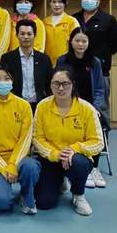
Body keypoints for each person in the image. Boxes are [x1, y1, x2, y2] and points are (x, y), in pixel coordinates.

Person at [33, 68, 104, 216]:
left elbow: (98, 142)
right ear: (50, 85)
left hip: (76, 159)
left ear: (73, 84)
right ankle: (61, 181)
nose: (60, 88)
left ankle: (78, 195)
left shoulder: (86, 109)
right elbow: (37, 138)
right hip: (51, 159)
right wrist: (56, 154)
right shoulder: (42, 107)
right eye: (56, 83)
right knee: (44, 203)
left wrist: (73, 149)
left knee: (79, 163)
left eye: (65, 83)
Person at [0, 63, 40, 214]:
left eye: (6, 78)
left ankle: (26, 194)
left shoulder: (24, 105)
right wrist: (4, 167)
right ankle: (2, 190)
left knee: (31, 166)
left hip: (20, 159)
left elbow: (25, 140)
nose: (2, 82)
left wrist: (13, 164)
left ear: (12, 81)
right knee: (2, 204)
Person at [56, 27, 107, 188]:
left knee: (98, 126)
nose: (80, 44)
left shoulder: (95, 62)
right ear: (71, 42)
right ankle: (65, 169)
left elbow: (100, 89)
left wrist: (95, 109)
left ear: (88, 43)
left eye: (84, 41)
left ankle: (93, 168)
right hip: (67, 105)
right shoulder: (63, 60)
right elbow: (58, 85)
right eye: (77, 40)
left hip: (89, 107)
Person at [73, 0, 117, 123]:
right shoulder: (74, 19)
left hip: (100, 71)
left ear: (99, 0)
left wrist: (103, 56)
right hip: (77, 70)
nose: (88, 0)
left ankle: (102, 134)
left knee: (100, 108)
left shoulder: (108, 20)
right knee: (76, 107)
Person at [0, 19, 53, 112]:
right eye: (22, 34)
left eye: (29, 34)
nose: (26, 37)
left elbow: (49, 84)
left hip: (39, 106)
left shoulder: (44, 59)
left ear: (35, 35)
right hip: (15, 105)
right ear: (16, 35)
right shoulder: (7, 58)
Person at [43, 0, 80, 66]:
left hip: (66, 63)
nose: (57, 5)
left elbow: (77, 44)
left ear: (65, 3)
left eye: (60, 2)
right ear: (50, 3)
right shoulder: (44, 22)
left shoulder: (72, 21)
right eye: (54, 2)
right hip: (47, 63)